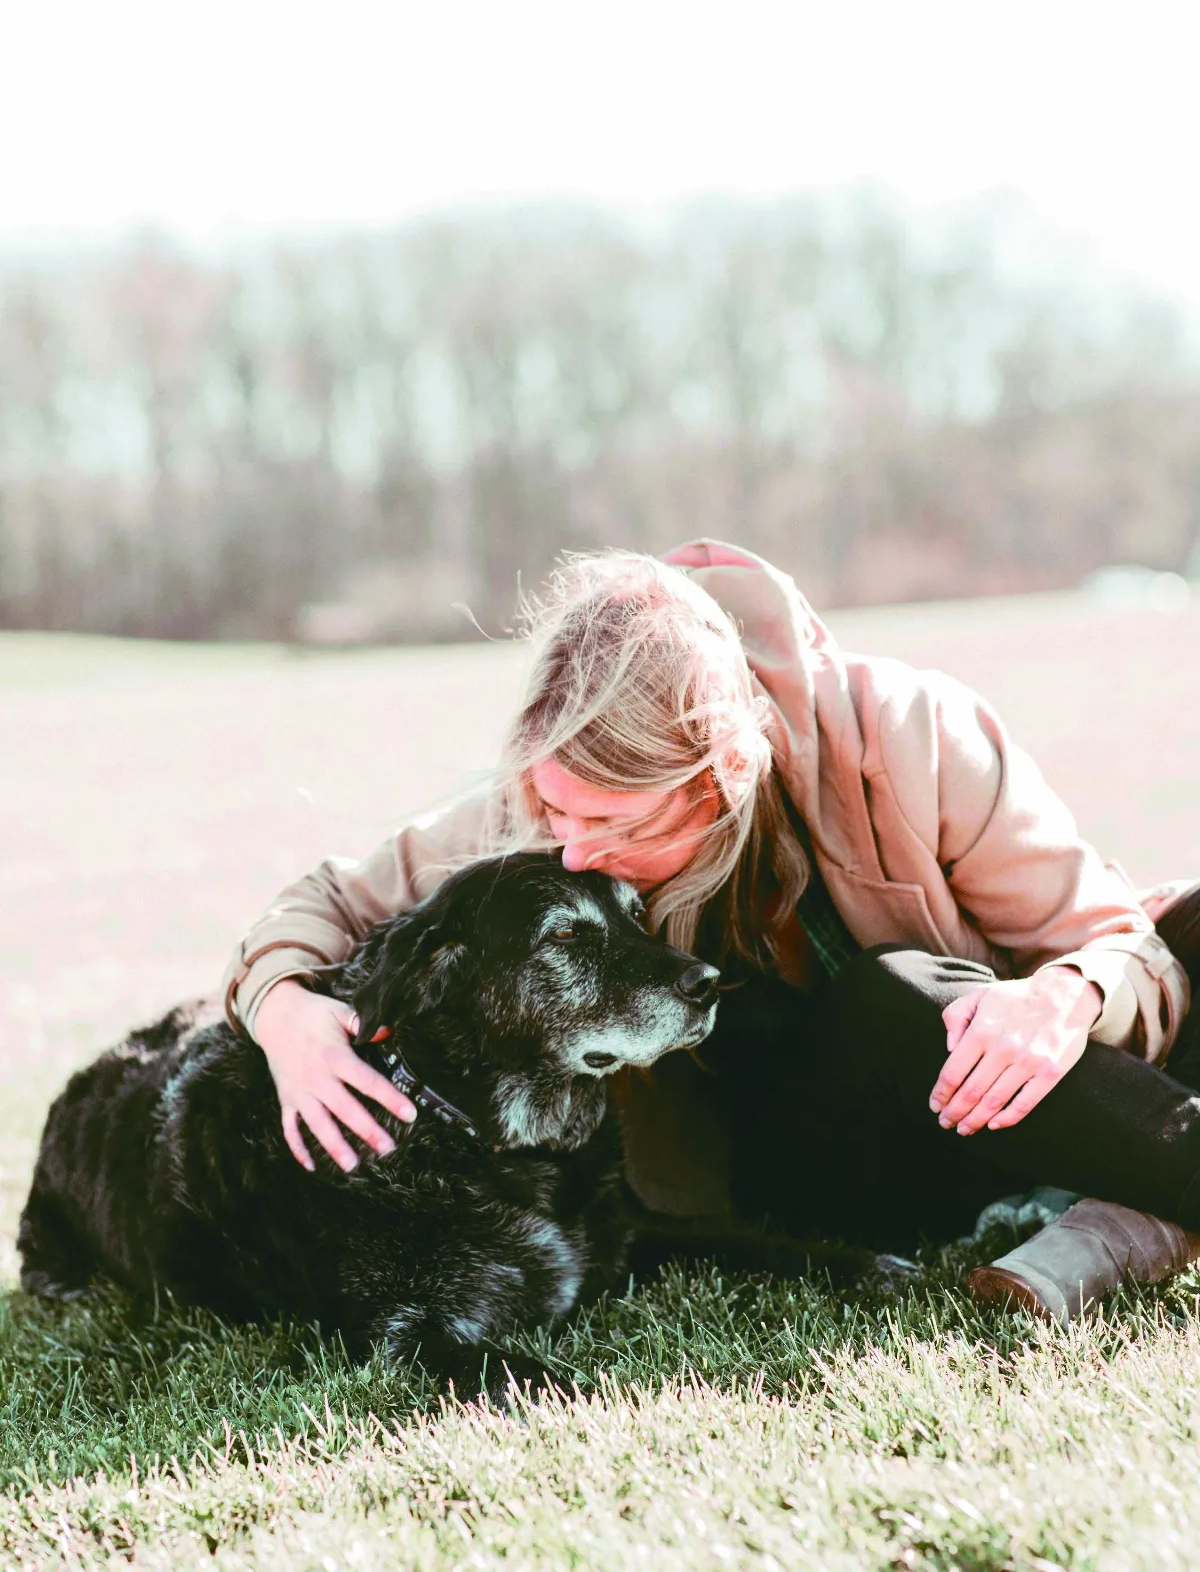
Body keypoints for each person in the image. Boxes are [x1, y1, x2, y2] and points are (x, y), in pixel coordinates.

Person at [223, 539, 1200, 1318]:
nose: (570, 850)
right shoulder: (539, 822)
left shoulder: (913, 733)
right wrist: (283, 1014)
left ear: (720, 778)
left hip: (1004, 1096)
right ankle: (1128, 1203)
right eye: (554, 810)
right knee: (894, 999)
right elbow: (320, 906)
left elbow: (1126, 952)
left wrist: (1064, 996)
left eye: (613, 824)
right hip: (809, 1178)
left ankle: (1122, 1215)